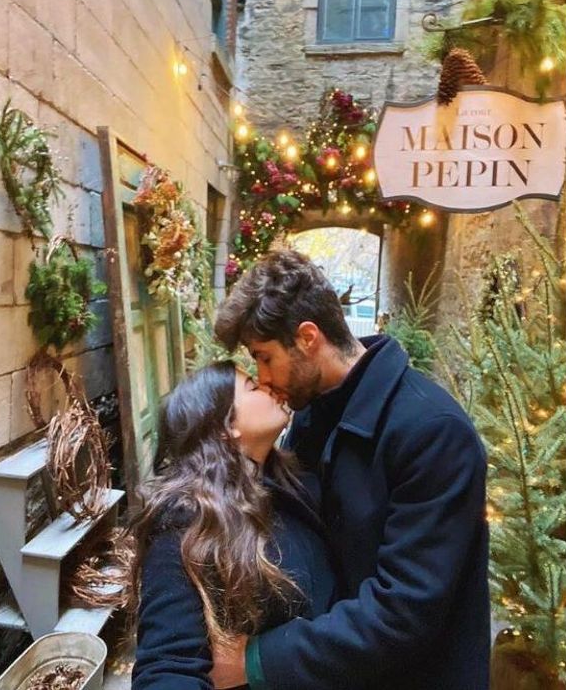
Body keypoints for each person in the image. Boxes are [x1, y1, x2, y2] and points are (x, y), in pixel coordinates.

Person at [209, 250, 490, 689]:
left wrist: (256, 660)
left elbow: (403, 611)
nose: (261, 378)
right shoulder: (310, 412)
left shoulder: (433, 433)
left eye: (264, 357)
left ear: (307, 338)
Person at [128, 362, 339, 689]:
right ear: (226, 427)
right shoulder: (187, 525)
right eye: (253, 386)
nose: (270, 385)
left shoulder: (289, 485)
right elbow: (168, 665)